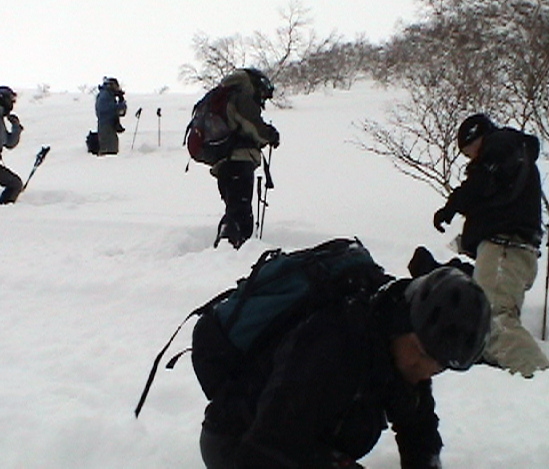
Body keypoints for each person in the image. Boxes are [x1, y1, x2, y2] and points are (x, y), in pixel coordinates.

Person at [199, 265, 491, 469]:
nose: (424, 370)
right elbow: (263, 450)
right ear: (404, 321)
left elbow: (418, 427)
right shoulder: (333, 343)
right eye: (420, 353)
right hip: (237, 439)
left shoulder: (399, 344)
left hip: (304, 443)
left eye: (438, 367)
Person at [433, 113, 549, 377]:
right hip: (511, 251)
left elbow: (480, 184)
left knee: (494, 319)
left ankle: (538, 377)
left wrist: (453, 206)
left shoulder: (501, 144)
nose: (472, 159)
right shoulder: (512, 154)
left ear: (477, 137)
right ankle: (515, 379)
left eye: (469, 152)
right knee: (492, 319)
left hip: (505, 249)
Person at [212, 68, 280, 249]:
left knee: (235, 209)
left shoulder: (227, 96)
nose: (262, 100)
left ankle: (229, 247)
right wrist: (270, 135)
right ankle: (231, 249)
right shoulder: (242, 96)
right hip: (239, 162)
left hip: (223, 164)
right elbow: (253, 126)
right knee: (240, 213)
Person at [95, 77, 127, 155]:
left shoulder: (107, 95)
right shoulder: (105, 96)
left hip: (108, 127)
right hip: (106, 127)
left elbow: (121, 112)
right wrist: (121, 104)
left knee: (111, 150)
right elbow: (111, 109)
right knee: (109, 152)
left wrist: (121, 100)